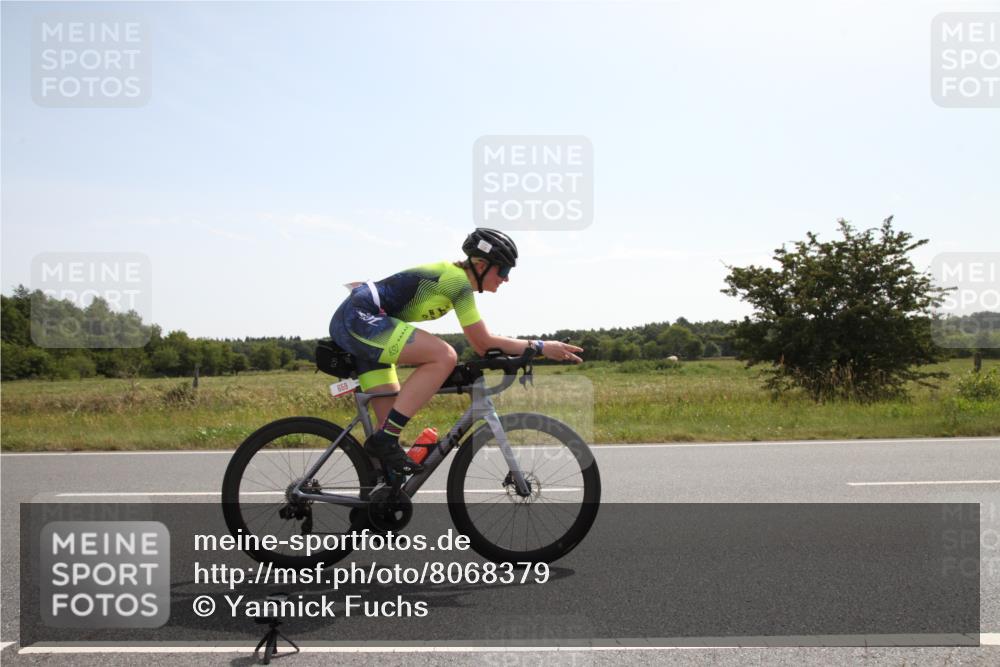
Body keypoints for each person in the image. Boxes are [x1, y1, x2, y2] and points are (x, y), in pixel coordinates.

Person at [328, 228, 583, 475]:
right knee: (444, 356)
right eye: (503, 270)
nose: (506, 278)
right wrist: (541, 346)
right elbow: (483, 343)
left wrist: (527, 351)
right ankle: (385, 442)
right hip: (359, 318)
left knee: (388, 436)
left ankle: (377, 493)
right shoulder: (457, 282)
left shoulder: (456, 281)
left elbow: (484, 344)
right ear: (481, 266)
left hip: (365, 322)